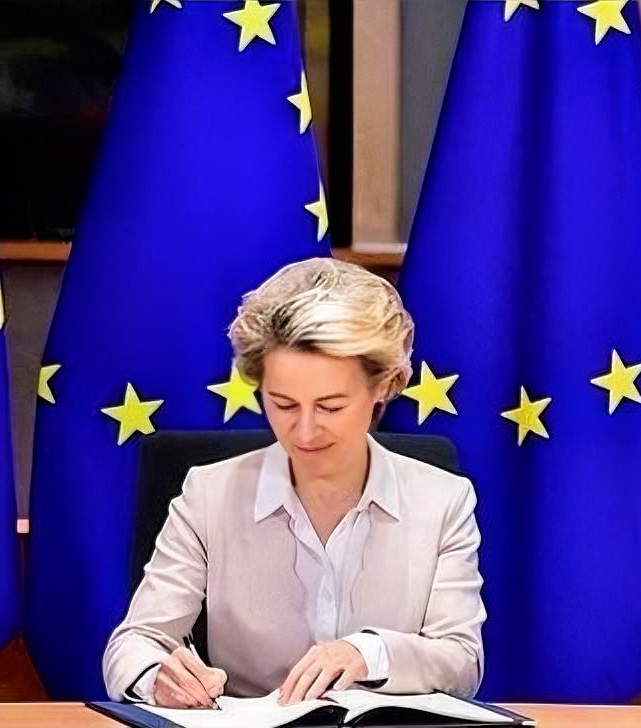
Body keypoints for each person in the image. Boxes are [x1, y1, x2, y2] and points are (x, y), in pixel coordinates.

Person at [102, 258, 484, 708]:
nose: (304, 432)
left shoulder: (443, 500)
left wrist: (368, 653)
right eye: (283, 404)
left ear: (385, 386)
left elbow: (462, 662)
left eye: (330, 407)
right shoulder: (209, 495)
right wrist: (156, 677)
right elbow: (134, 643)